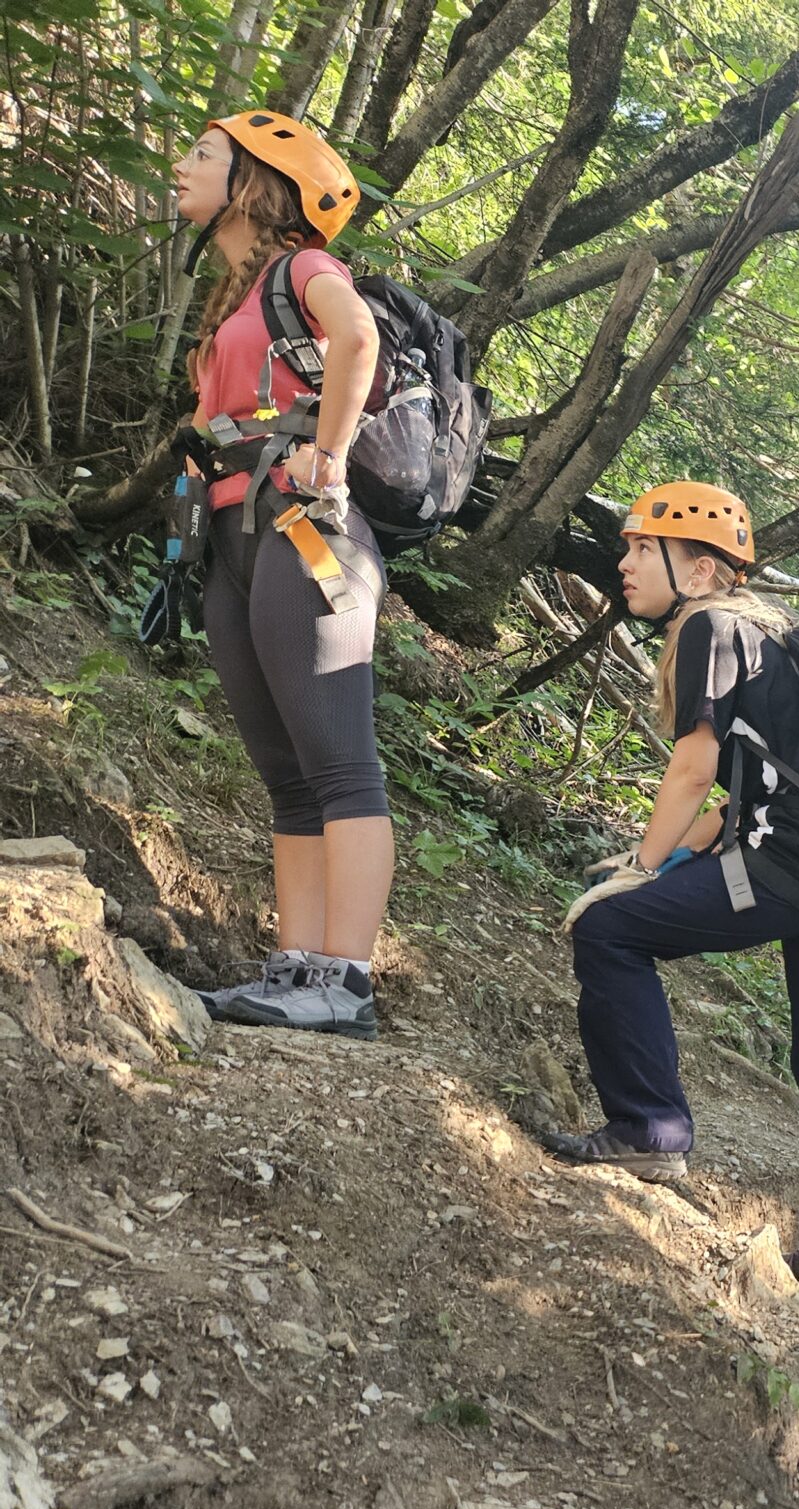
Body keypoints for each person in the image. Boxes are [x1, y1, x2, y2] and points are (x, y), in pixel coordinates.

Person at [539, 483, 799, 1306]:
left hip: (791, 866)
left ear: (700, 572)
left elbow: (695, 769)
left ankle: (647, 1129)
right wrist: (659, 855)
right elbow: (750, 791)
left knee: (610, 929)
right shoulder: (772, 630)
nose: (624, 564)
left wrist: (637, 874)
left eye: (643, 549)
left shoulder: (710, 626)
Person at [171, 111, 389, 1037]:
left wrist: (329, 456)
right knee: (286, 774)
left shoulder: (303, 270)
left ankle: (347, 982)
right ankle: (296, 970)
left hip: (305, 529)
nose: (181, 165)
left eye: (203, 154)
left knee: (339, 762)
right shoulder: (235, 297)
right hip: (234, 536)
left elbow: (359, 337)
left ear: (256, 183)